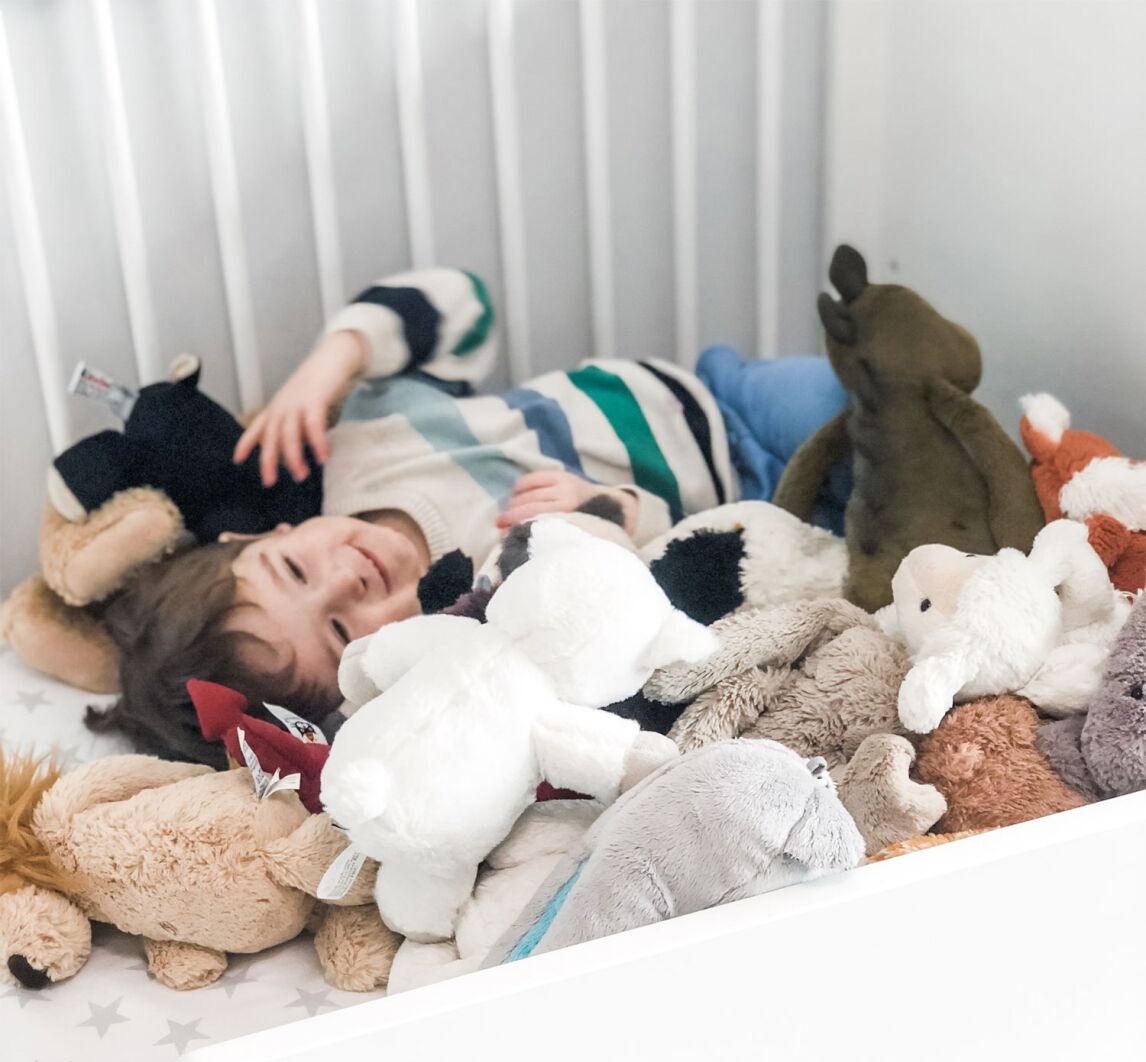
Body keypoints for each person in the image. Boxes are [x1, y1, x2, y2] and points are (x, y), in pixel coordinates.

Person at [89, 267, 752, 764]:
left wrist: (337, 356)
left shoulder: (360, 440)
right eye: (339, 629)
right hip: (739, 492)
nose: (343, 580)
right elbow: (656, 588)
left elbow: (467, 306)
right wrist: (612, 510)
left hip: (712, 389)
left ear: (262, 533)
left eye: (293, 569)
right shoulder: (488, 600)